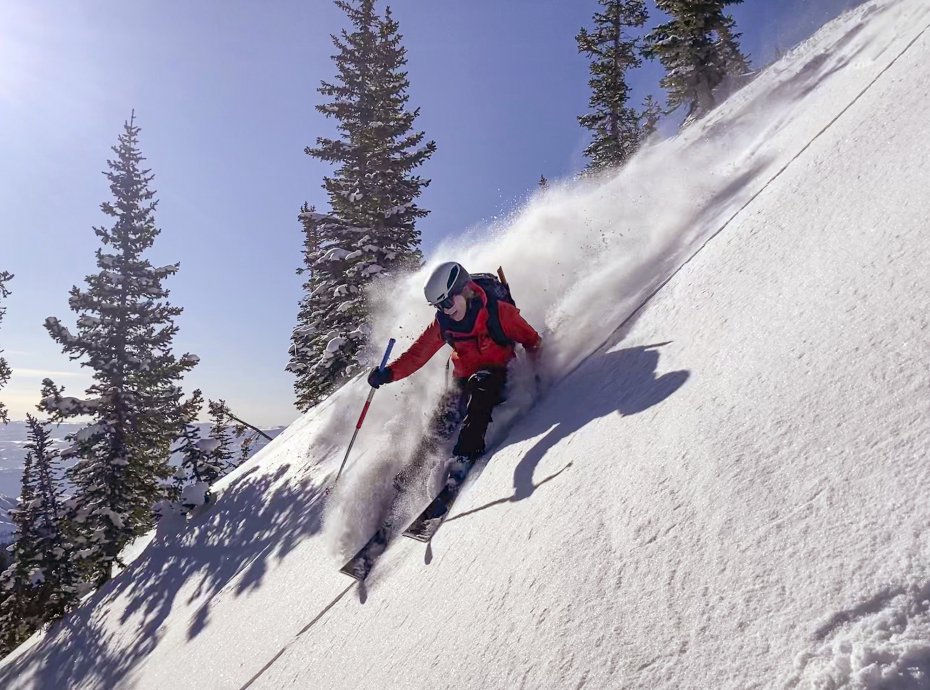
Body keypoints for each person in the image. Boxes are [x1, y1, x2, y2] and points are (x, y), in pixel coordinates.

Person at [367, 261, 542, 478]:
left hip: (499, 377)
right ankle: (411, 475)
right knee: (443, 417)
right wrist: (388, 373)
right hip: (464, 379)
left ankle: (464, 456)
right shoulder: (444, 324)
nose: (446, 310)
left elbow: (532, 341)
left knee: (481, 386)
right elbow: (417, 355)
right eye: (439, 306)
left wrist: (538, 374)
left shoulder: (500, 313)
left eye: (448, 302)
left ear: (464, 290)